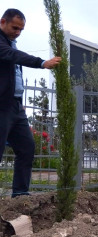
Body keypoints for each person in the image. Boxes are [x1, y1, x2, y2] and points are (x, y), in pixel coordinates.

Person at [0, 8, 61, 197]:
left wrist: (17, 99)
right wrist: (42, 63)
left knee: (27, 146)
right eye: (15, 27)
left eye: (21, 30)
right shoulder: (4, 45)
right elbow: (14, 56)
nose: (18, 32)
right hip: (1, 106)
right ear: (3, 22)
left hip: (15, 106)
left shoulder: (11, 43)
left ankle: (20, 194)